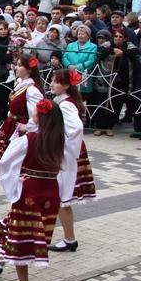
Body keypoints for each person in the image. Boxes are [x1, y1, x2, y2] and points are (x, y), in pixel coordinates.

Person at [0, 99, 68, 281]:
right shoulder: (60, 139)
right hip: (51, 194)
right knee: (20, 231)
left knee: (21, 238)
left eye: (35, 112)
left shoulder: (29, 140)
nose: (32, 114)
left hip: (30, 193)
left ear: (39, 117)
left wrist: (15, 183)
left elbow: (4, 164)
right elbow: (67, 166)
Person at [0, 56, 44, 212]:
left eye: (20, 65)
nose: (16, 67)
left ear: (29, 69)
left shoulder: (32, 89)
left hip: (19, 130)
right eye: (17, 64)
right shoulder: (20, 83)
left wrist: (28, 126)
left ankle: (15, 208)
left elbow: (37, 112)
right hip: (9, 125)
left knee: (15, 167)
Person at [48, 69, 94, 254]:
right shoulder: (63, 101)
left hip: (66, 155)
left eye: (56, 81)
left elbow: (75, 130)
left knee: (62, 197)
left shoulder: (66, 104)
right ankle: (68, 238)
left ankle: (69, 239)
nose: (51, 83)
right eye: (52, 80)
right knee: (58, 197)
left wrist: (60, 150)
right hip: (65, 153)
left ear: (66, 85)